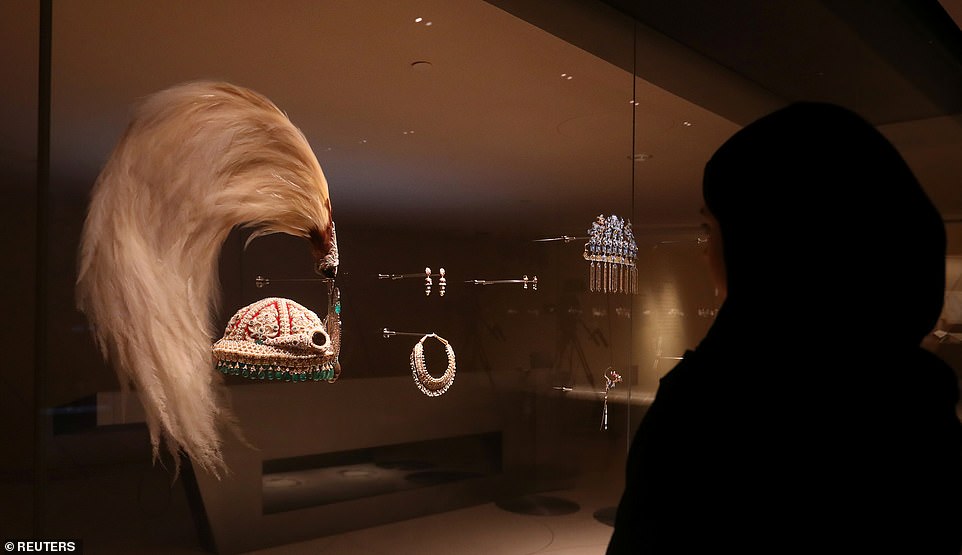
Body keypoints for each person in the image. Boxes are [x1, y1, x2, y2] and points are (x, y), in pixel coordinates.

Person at [606, 102, 962, 554]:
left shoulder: (711, 411)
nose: (704, 252)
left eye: (709, 227)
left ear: (768, 248)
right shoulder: (917, 399)